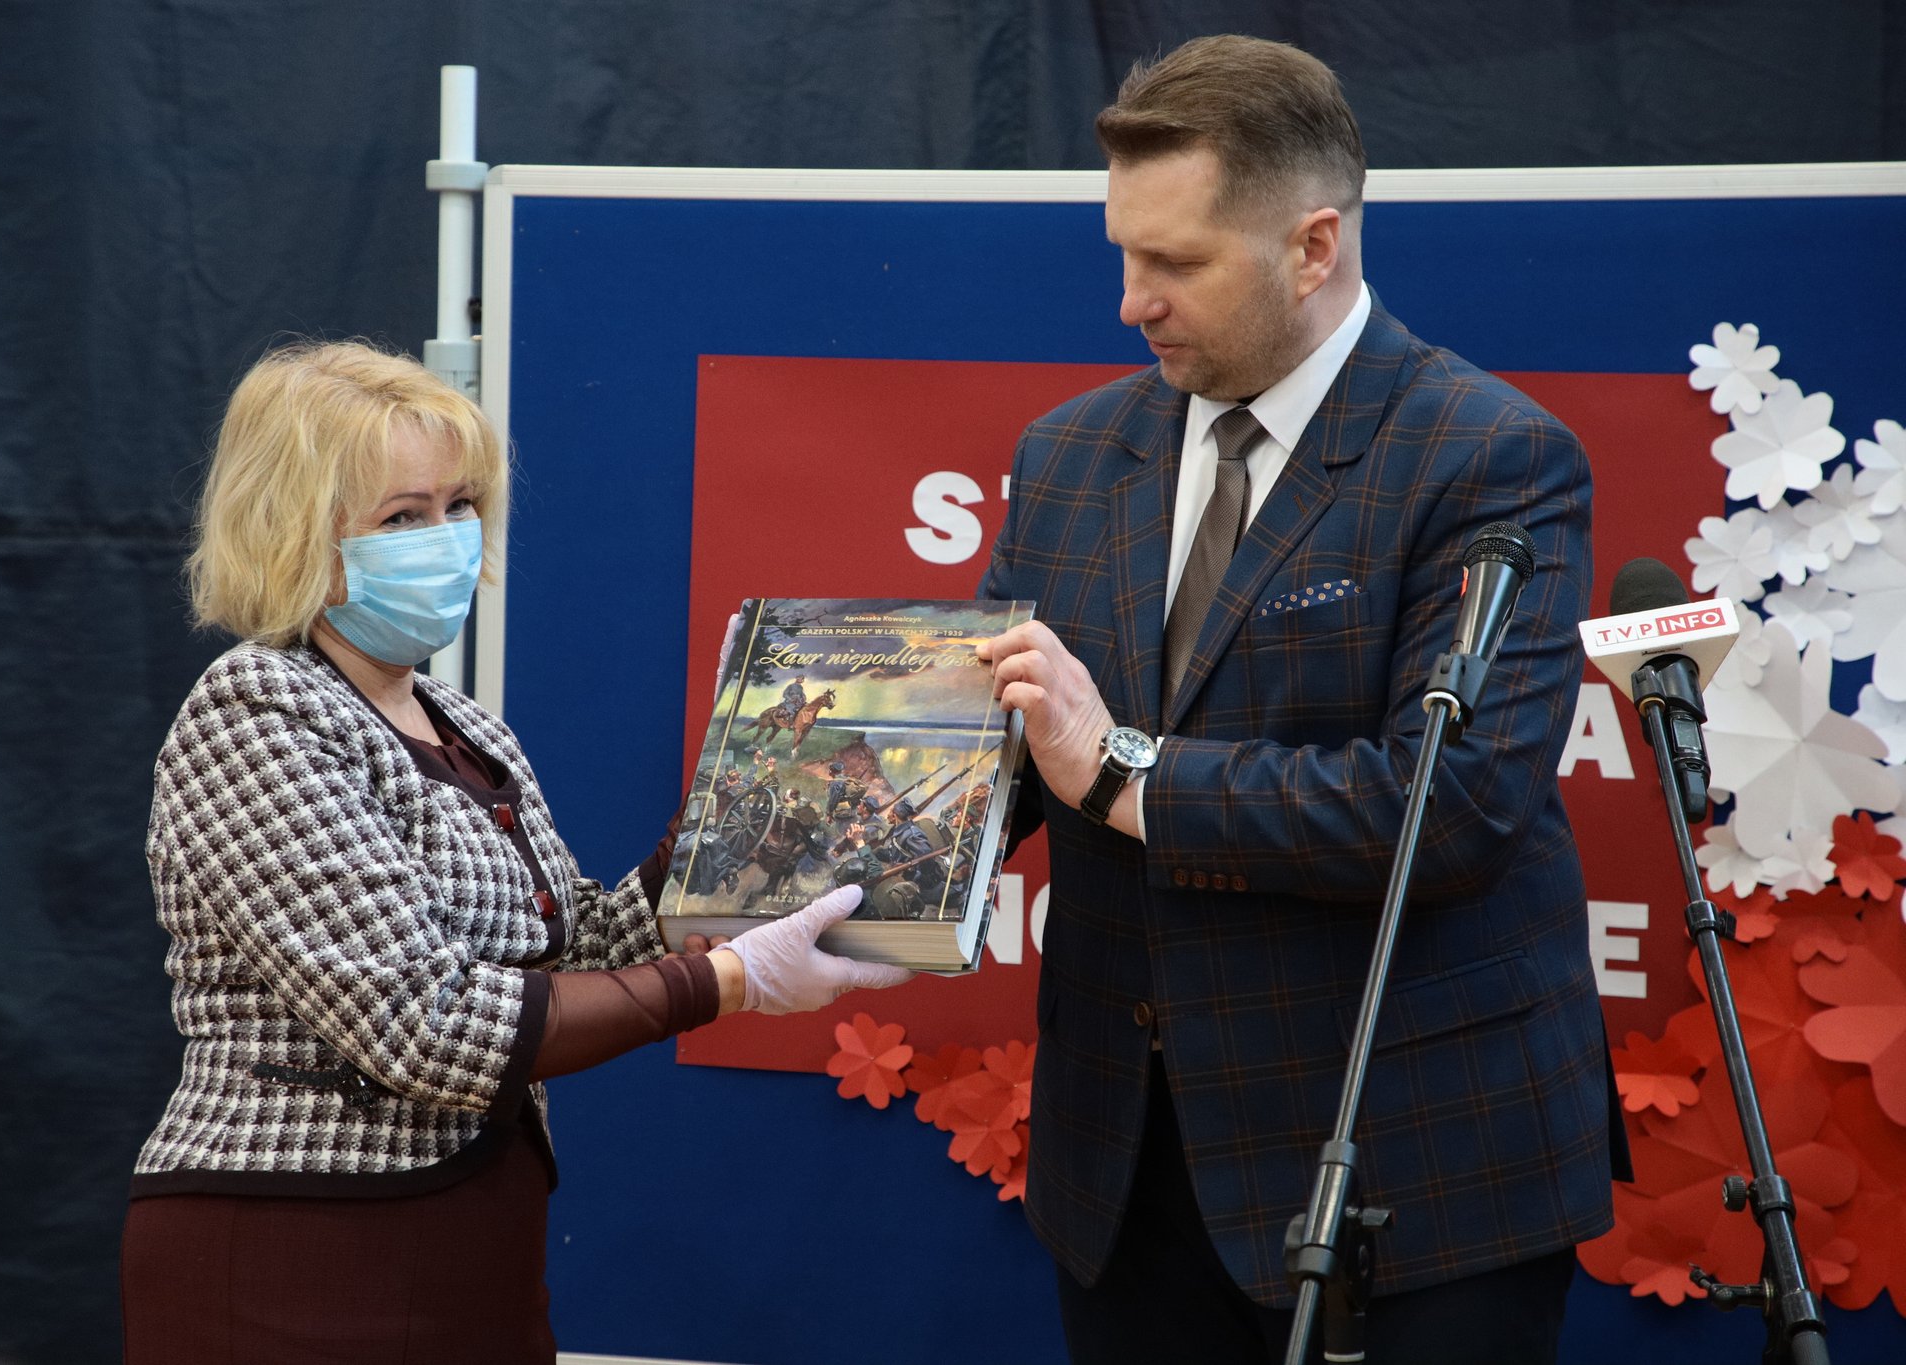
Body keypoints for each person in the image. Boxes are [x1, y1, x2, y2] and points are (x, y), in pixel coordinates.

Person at [976, 35, 1625, 1365]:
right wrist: (822, 837)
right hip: (1127, 1174)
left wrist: (1121, 771)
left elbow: (1447, 808)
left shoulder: (1489, 457)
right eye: (1122, 253)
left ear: (1312, 246)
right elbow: (1005, 749)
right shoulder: (1068, 454)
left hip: (1414, 1170)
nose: (1131, 302)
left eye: (1175, 263)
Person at [120, 341, 911, 1363]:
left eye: (460, 505)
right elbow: (426, 1024)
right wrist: (726, 981)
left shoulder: (467, 728)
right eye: (401, 517)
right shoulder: (254, 713)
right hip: (301, 1251)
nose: (446, 538)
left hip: (476, 1240)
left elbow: (573, 957)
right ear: (296, 533)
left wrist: (732, 796)